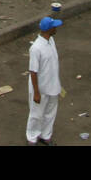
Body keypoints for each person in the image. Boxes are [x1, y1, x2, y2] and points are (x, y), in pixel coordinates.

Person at [27, 16, 62, 145]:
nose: (56, 28)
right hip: (41, 88)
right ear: (49, 29)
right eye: (54, 26)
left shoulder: (51, 40)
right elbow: (33, 71)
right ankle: (32, 138)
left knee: (50, 113)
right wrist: (36, 92)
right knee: (36, 114)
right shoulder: (36, 48)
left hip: (53, 86)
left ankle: (45, 135)